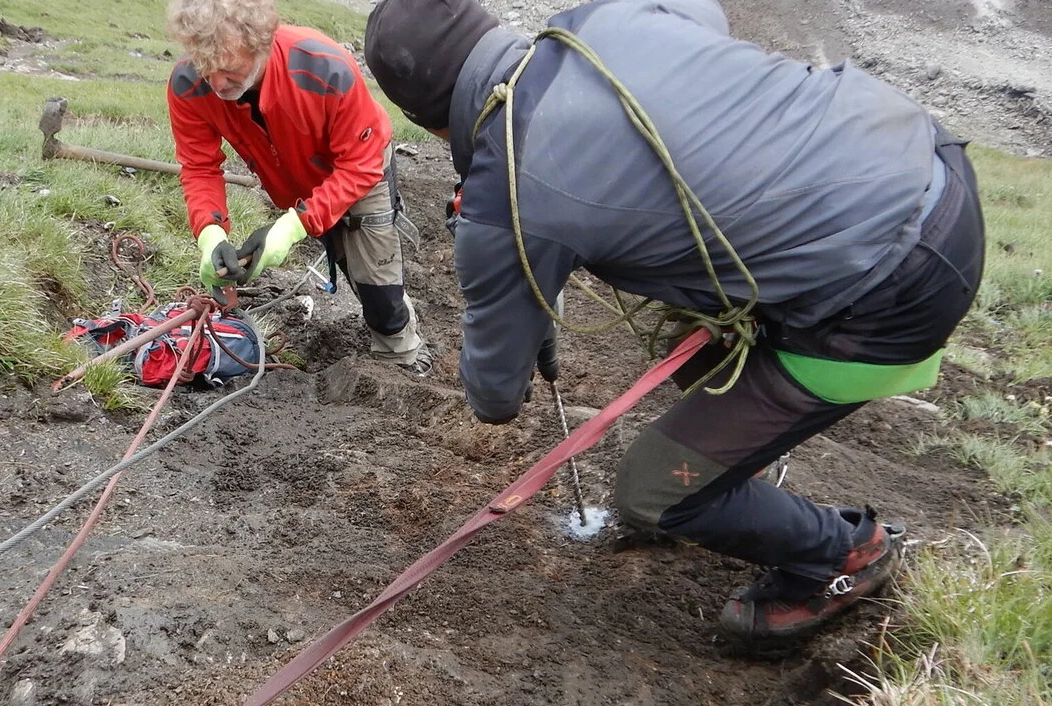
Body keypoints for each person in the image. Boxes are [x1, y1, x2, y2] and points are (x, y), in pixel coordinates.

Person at [363, 0, 986, 642]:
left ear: (427, 121)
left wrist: (513, 288)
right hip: (916, 152)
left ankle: (844, 553)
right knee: (685, 323)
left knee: (650, 492)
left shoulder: (503, 201)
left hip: (896, 285)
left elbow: (495, 397)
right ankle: (731, 466)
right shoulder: (601, 21)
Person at [165, 0, 431, 375]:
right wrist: (210, 233)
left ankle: (404, 356)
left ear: (261, 43)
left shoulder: (324, 67)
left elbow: (361, 162)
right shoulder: (188, 85)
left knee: (377, 285)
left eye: (229, 69)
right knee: (350, 264)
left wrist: (294, 226)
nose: (218, 84)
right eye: (207, 70)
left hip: (361, 166)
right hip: (300, 185)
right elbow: (199, 167)